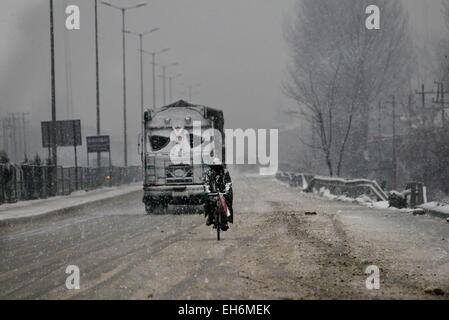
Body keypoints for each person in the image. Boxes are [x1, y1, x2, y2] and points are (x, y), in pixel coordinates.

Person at [203, 158, 233, 231]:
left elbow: (228, 183)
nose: (216, 168)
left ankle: (225, 221)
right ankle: (210, 217)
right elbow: (206, 183)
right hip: (212, 193)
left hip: (223, 193)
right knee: (208, 203)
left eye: (218, 166)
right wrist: (208, 191)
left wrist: (226, 191)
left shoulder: (225, 173)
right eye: (215, 166)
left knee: (227, 204)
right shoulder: (209, 173)